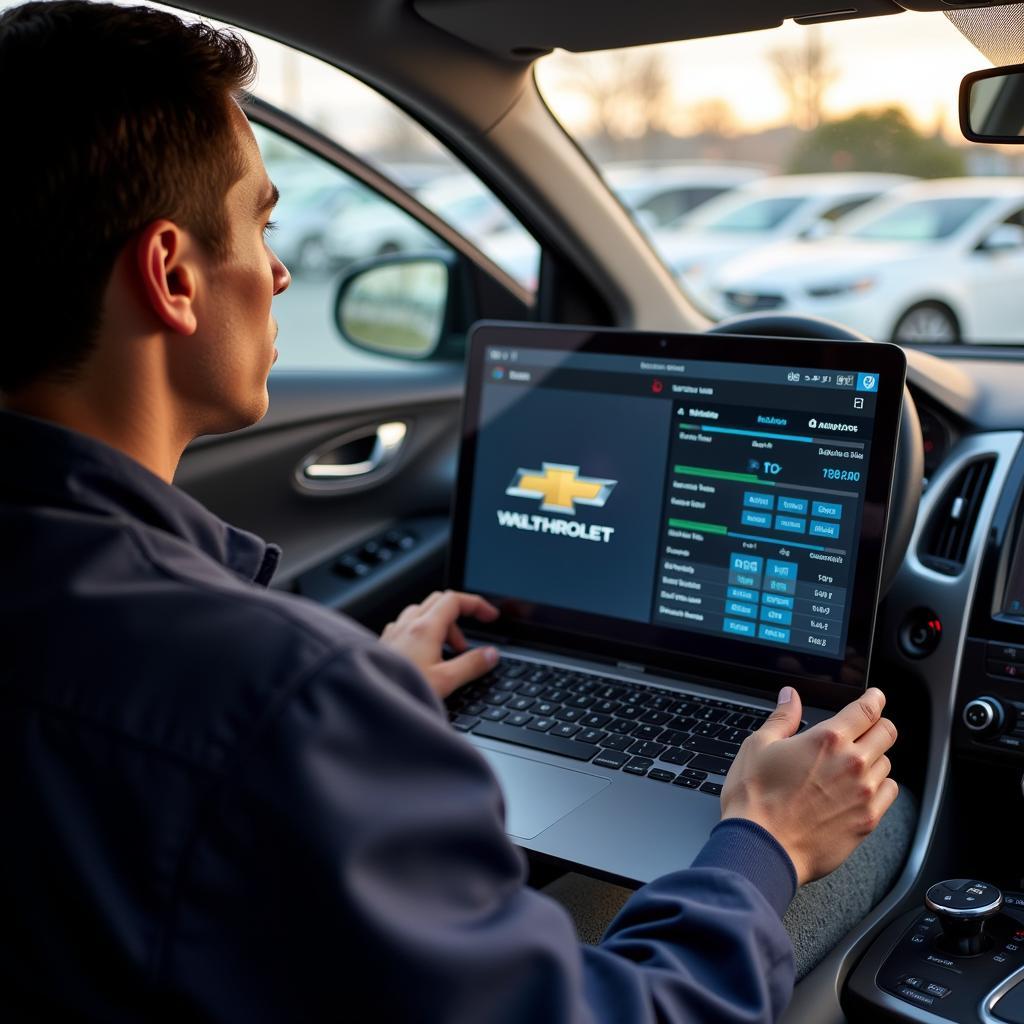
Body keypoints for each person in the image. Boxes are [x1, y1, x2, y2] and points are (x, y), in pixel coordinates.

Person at [0, 3, 899, 1021]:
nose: (280, 269)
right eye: (260, 220)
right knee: (873, 856)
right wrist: (762, 838)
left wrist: (366, 703)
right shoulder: (276, 704)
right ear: (171, 273)